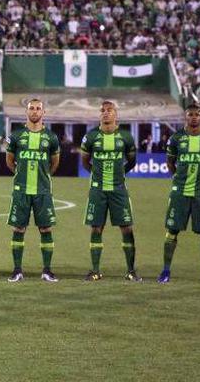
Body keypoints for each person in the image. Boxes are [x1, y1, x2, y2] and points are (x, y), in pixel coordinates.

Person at [158, 104, 200, 284]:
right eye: (190, 115)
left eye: (197, 114)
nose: (194, 117)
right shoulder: (176, 138)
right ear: (185, 117)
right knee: (172, 231)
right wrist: (178, 180)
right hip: (180, 193)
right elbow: (170, 163)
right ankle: (165, 271)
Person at [80, 101, 141, 282]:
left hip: (118, 190)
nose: (106, 113)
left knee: (127, 228)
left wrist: (119, 174)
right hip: (98, 190)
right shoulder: (90, 137)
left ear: (116, 115)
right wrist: (97, 175)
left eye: (109, 110)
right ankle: (95, 270)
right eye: (103, 111)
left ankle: (131, 271)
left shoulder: (126, 137)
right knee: (96, 228)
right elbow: (85, 161)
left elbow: (131, 161)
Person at [5, 99, 61, 282]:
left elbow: (55, 163)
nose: (35, 112)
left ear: (43, 112)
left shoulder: (51, 137)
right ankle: (17, 270)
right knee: (18, 229)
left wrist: (43, 177)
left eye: (38, 109)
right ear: (26, 112)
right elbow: (9, 161)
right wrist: (20, 174)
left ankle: (47, 270)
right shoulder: (16, 135)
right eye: (31, 108)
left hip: (42, 191)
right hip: (21, 191)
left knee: (45, 228)